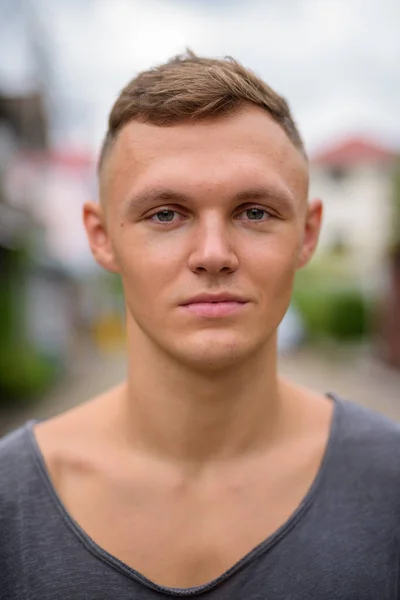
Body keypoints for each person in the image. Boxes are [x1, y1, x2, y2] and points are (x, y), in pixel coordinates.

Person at [1, 51, 399, 600]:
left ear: (308, 234)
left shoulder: (393, 482)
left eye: (254, 211)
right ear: (101, 236)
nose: (213, 255)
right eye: (166, 213)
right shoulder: (8, 500)